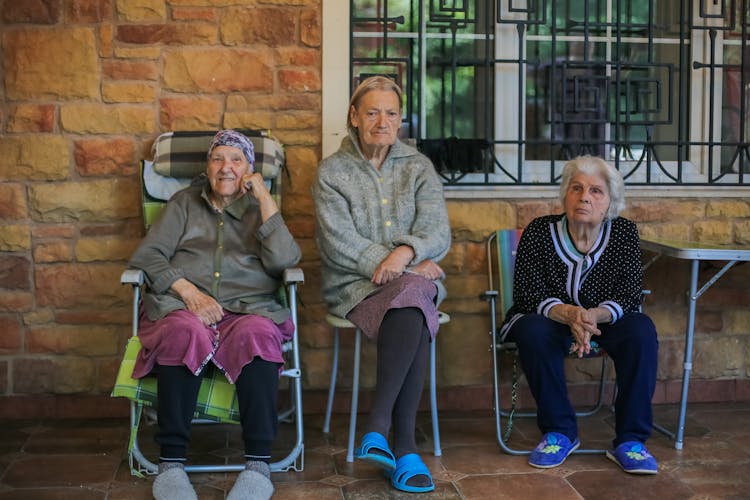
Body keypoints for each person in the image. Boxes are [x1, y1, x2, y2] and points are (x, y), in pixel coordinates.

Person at [128, 130, 301, 500]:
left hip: (248, 309)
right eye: (218, 159)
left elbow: (286, 261)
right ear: (207, 167)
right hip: (183, 307)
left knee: (257, 334)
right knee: (182, 332)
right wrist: (189, 292)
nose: (226, 168)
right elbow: (148, 257)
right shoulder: (183, 204)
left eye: (236, 160)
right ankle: (171, 466)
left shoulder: (261, 208)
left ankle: (257, 467)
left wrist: (266, 198)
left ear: (249, 170)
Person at [312, 76, 451, 493]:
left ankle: (378, 428)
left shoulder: (417, 166)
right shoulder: (332, 172)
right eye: (372, 112)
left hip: (409, 279)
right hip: (356, 287)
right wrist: (397, 264)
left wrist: (404, 254)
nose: (382, 121)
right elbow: (338, 240)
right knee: (415, 297)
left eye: (391, 113)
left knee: (410, 298)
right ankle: (403, 446)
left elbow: (436, 229)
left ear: (401, 119)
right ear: (354, 117)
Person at [499, 155, 659, 474]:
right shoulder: (539, 232)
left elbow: (629, 294)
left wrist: (590, 317)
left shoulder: (624, 233)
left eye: (596, 191)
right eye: (576, 188)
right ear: (565, 195)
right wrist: (570, 313)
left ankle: (631, 440)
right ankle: (560, 432)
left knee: (641, 330)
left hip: (603, 321)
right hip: (549, 320)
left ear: (610, 201)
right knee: (532, 330)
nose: (584, 197)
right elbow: (527, 293)